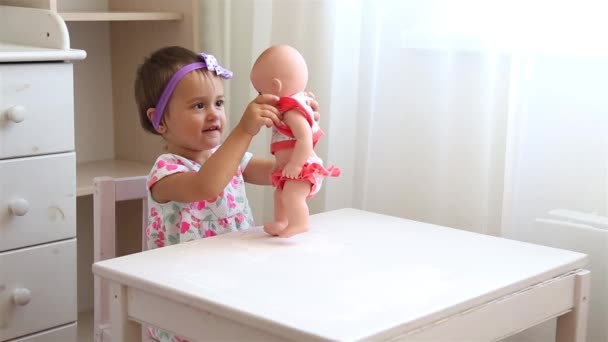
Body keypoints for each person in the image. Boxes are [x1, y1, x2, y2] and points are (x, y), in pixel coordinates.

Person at [133, 46, 319, 342]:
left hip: (229, 282)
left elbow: (275, 173)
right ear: (160, 120)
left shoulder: (224, 156)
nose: (214, 115)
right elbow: (206, 186)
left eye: (219, 103)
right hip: (183, 298)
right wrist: (244, 131)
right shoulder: (165, 171)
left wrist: (297, 136)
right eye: (198, 106)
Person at [250, 44, 340, 238]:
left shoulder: (291, 111)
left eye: (259, 92)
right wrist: (282, 164)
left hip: (303, 167)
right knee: (280, 195)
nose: (259, 97)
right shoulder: (288, 109)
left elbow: (305, 139)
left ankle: (299, 223)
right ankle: (282, 222)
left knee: (291, 195)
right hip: (291, 168)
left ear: (275, 86)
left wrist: (296, 164)